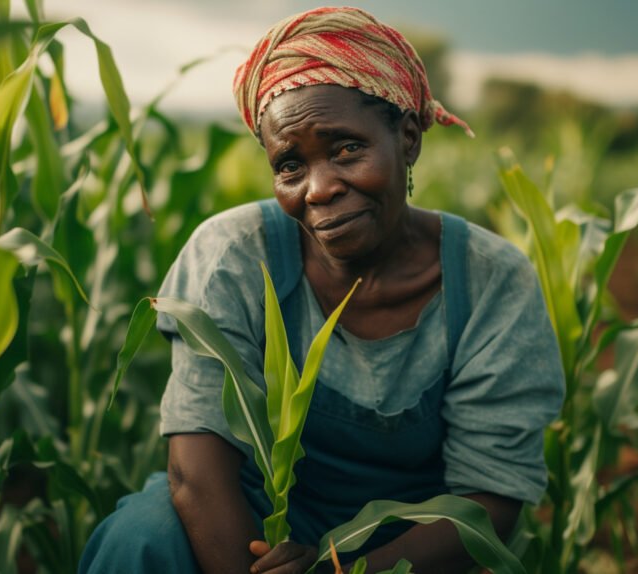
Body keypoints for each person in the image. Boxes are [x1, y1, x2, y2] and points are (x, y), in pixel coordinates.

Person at [79, 6, 563, 573]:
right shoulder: (234, 255)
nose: (319, 188)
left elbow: (487, 503)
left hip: (410, 544)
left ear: (407, 139)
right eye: (289, 165)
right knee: (141, 537)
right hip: (253, 526)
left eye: (347, 149)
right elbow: (196, 471)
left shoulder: (490, 282)